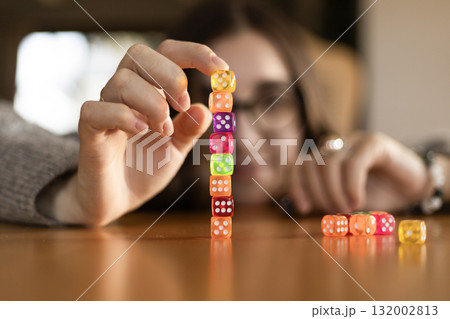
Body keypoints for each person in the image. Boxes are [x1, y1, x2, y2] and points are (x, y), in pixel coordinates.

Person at [0, 0, 449, 226]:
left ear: (308, 112)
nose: (245, 138)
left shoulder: (347, 171)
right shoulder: (122, 157)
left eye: (273, 101)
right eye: (215, 104)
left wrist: (432, 176)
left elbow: (432, 160)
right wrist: (68, 192)